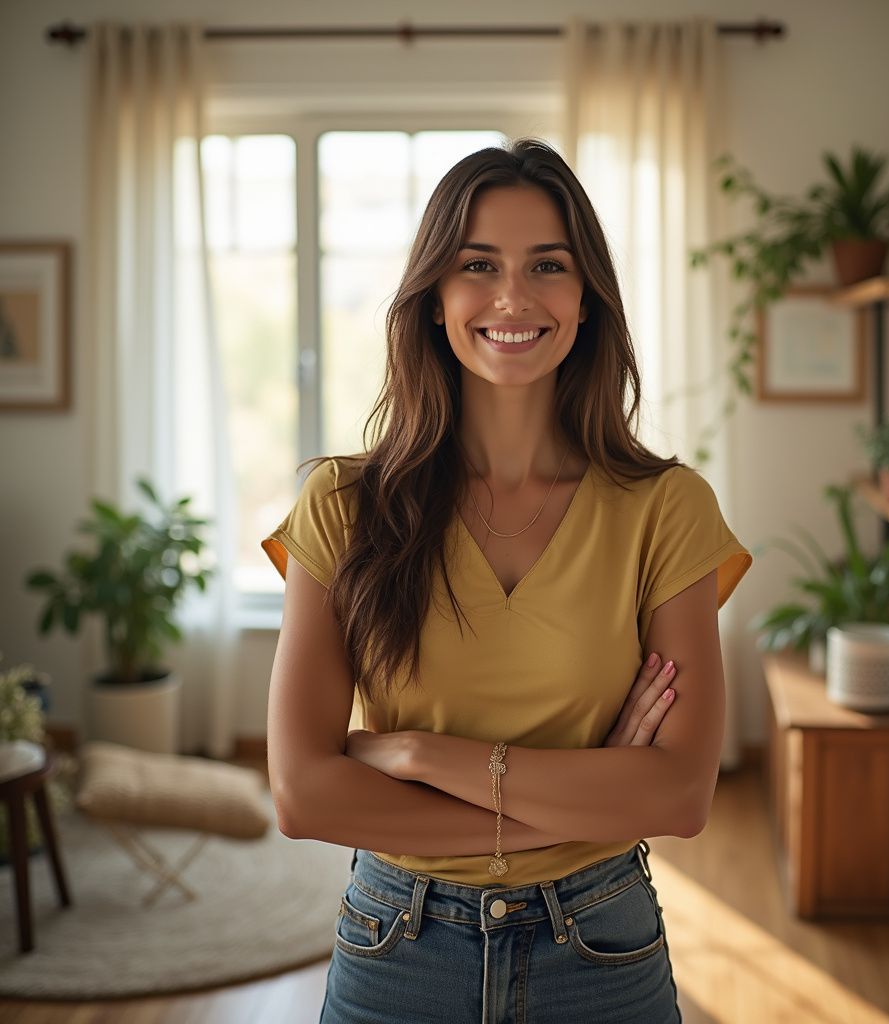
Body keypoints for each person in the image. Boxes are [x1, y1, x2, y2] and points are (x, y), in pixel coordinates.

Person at [262, 137, 752, 1024]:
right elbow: (303, 792)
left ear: (586, 299)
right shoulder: (341, 504)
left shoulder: (666, 508)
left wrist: (418, 757)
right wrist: (589, 791)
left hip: (599, 946)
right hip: (395, 946)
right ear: (435, 298)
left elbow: (680, 794)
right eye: (478, 263)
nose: (513, 296)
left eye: (548, 266)